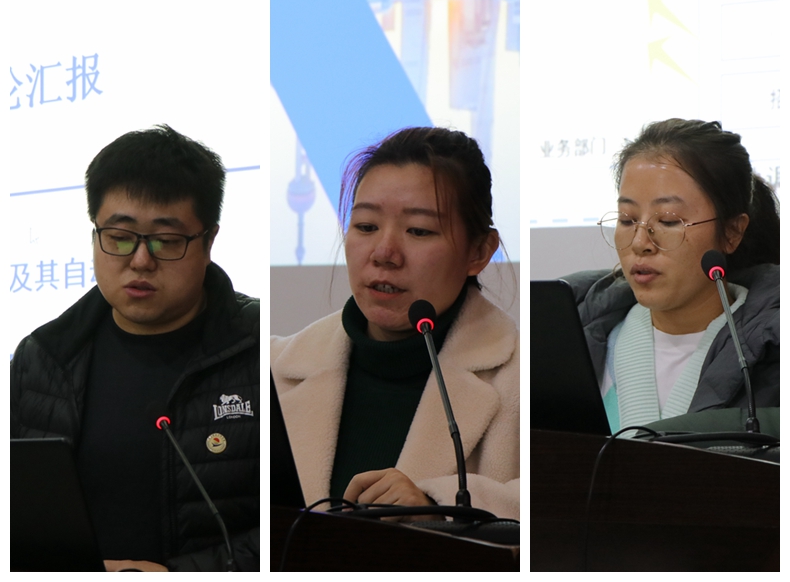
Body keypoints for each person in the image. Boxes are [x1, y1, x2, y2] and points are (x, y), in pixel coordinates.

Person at [10, 125, 260, 572]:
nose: (141, 260)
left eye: (167, 241)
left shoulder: (257, 348)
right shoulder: (42, 358)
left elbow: (293, 524)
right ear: (95, 234)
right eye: (120, 237)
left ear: (209, 241)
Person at [270, 127, 519, 520]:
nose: (384, 253)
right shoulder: (273, 366)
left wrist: (439, 506)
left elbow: (558, 506)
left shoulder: (524, 375)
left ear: (479, 251)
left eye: (418, 230)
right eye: (366, 226)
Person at [563, 118, 779, 431]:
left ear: (732, 231)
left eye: (668, 221)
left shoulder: (773, 352)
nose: (640, 243)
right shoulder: (570, 335)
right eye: (627, 220)